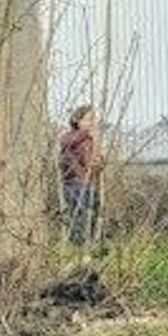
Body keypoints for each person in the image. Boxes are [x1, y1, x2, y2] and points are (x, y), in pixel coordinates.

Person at [58, 104, 101, 246]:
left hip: (87, 181)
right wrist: (87, 134)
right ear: (77, 121)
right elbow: (66, 142)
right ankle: (77, 242)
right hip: (74, 181)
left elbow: (91, 161)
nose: (92, 123)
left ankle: (90, 241)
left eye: (93, 120)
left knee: (91, 210)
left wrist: (98, 164)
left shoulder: (90, 140)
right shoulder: (72, 136)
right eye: (88, 120)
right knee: (78, 212)